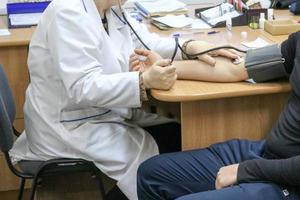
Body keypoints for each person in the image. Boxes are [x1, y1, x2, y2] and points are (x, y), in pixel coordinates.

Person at [9, 0, 240, 200]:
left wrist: (190, 47)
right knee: (147, 160)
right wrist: (143, 81)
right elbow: (82, 87)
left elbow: (146, 44)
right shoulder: (68, 13)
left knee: (175, 129)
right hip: (69, 125)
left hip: (101, 111)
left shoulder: (111, 10)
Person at [137, 32, 300, 200]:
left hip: (292, 180)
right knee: (151, 175)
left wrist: (248, 170)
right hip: (269, 155)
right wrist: (164, 69)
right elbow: (237, 69)